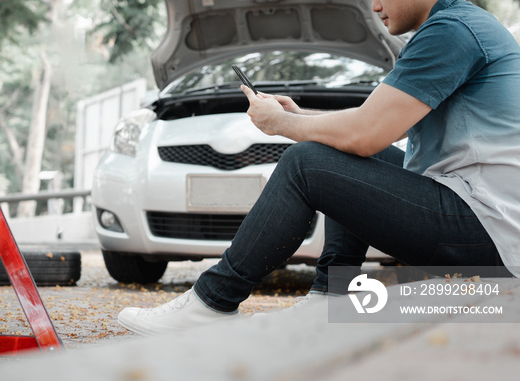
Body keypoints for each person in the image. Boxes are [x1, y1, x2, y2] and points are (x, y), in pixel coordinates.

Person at [117, 0, 520, 336]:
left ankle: (212, 301)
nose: (373, 4)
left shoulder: (452, 31)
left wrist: (281, 124)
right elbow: (370, 124)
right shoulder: (461, 26)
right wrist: (302, 116)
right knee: (331, 148)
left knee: (306, 162)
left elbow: (365, 133)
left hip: (489, 228)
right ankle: (330, 299)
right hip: (482, 217)